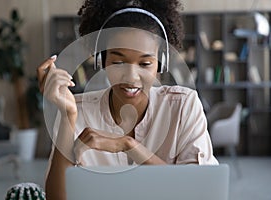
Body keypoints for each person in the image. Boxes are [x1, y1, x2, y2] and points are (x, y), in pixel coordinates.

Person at [37, 0, 218, 199]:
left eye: (145, 63)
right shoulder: (76, 110)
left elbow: (199, 192)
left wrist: (129, 146)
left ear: (161, 64)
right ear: (101, 60)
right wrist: (67, 117)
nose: (131, 76)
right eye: (118, 62)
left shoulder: (184, 105)